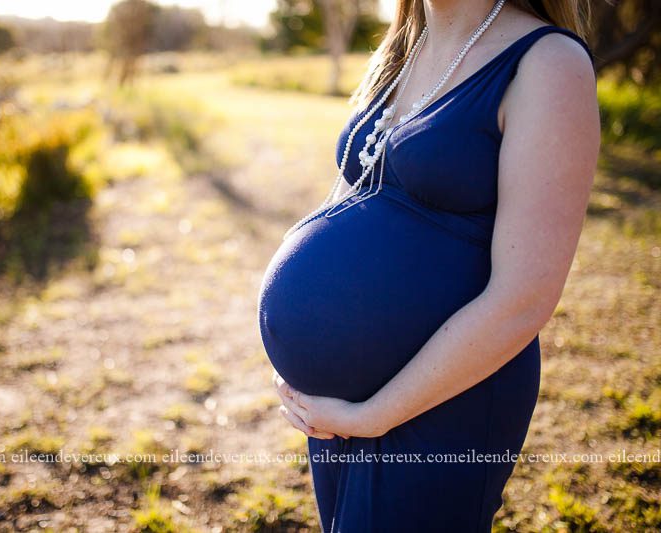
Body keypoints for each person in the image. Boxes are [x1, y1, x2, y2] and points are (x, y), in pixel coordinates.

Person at [256, 0, 601, 531]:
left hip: (444, 400)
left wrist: (371, 416)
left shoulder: (547, 64)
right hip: (341, 406)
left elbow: (525, 297)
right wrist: (299, 348)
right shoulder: (405, 45)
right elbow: (352, 193)